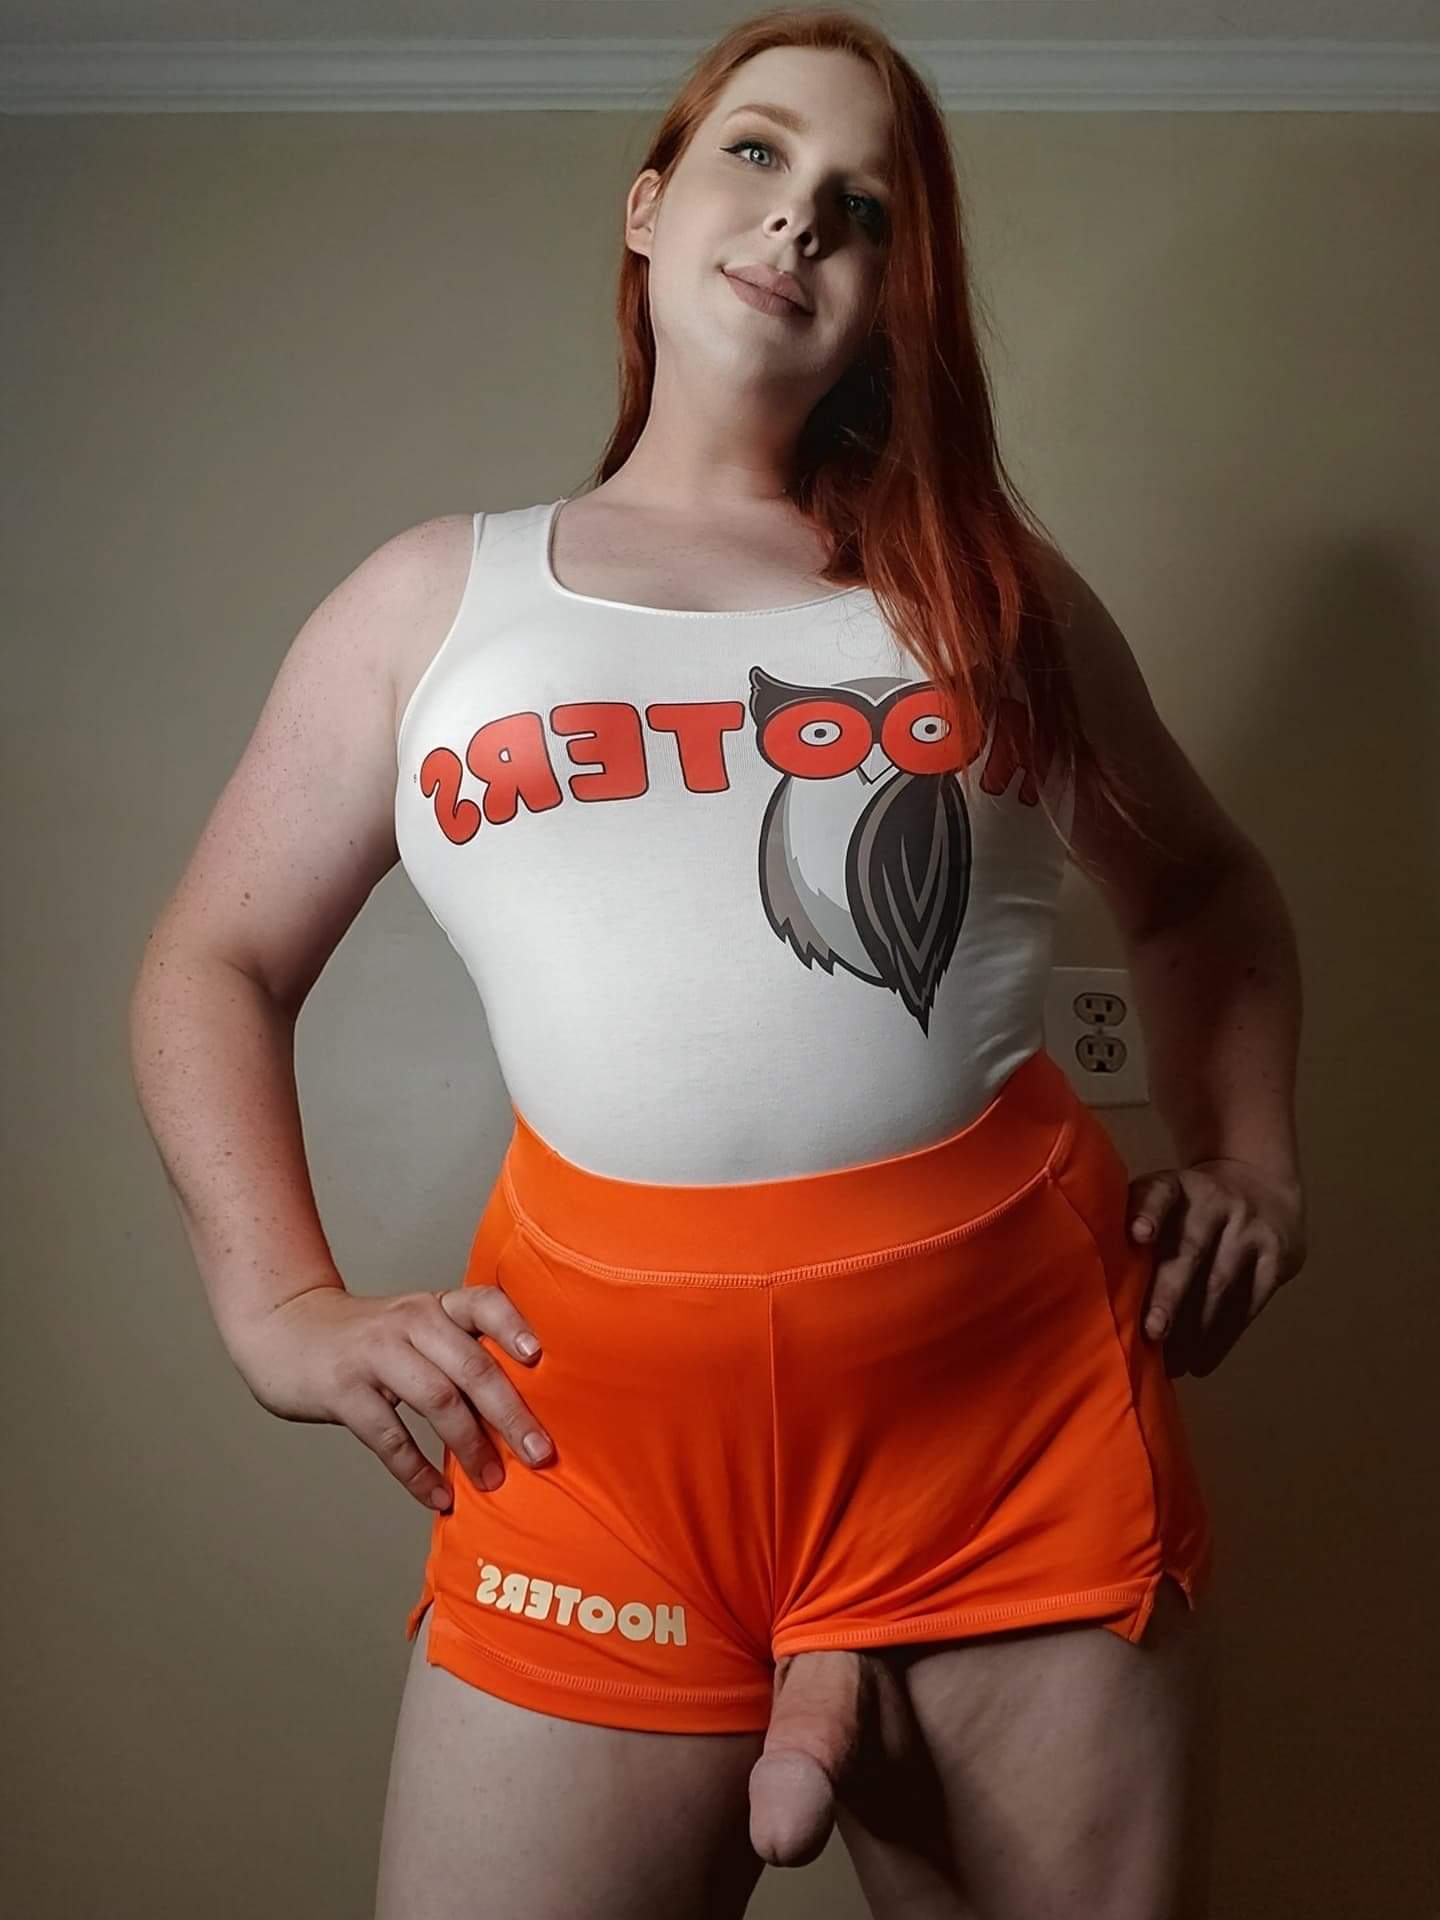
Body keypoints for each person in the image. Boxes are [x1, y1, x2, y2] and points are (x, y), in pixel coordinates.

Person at [128, 10, 1308, 1918]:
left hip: (1009, 1432)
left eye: (867, 205)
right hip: (589, 1455)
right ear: (648, 207)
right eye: (757, 153)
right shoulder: (433, 599)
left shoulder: (993, 595)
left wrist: (1251, 1158)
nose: (801, 217)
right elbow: (217, 960)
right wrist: (281, 1307)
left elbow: (1204, 895)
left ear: (895, 294)